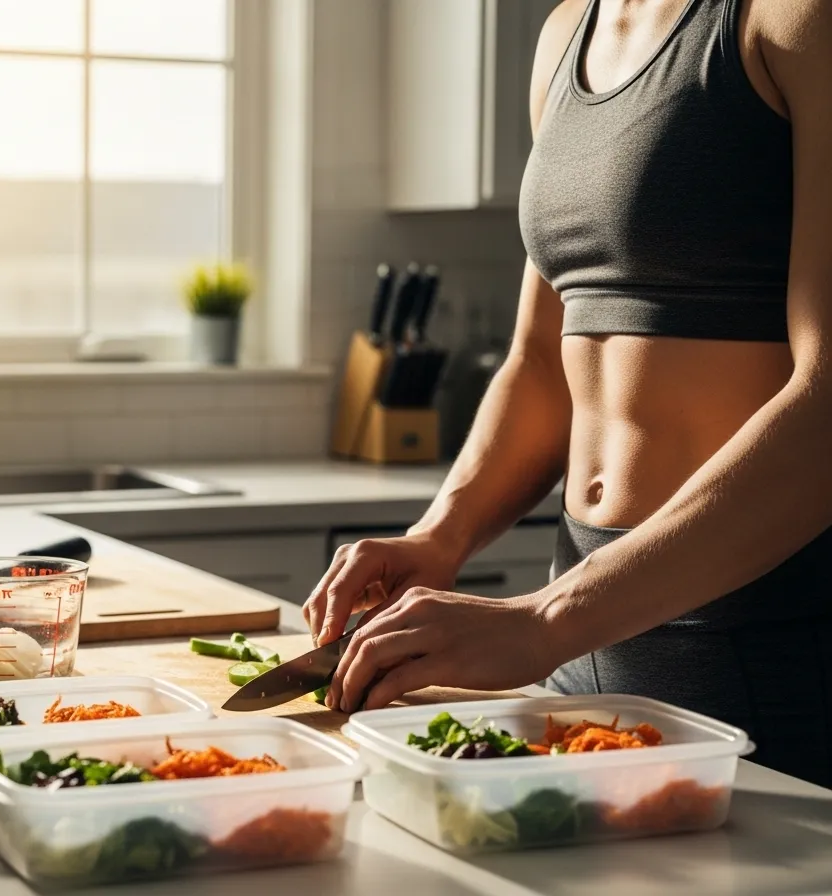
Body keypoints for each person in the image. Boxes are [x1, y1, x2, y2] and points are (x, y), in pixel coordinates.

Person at [304, 0, 832, 786]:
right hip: (580, 648)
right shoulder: (564, 39)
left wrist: (544, 619)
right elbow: (542, 363)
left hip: (753, 653)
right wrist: (440, 537)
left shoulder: (792, 19)